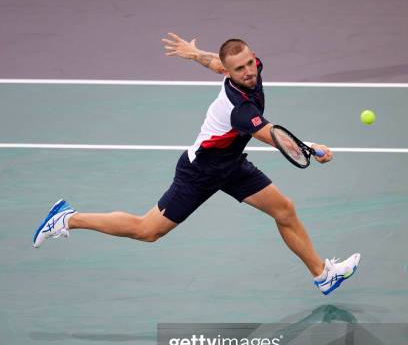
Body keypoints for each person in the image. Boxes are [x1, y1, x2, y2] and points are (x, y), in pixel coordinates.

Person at [32, 33, 360, 295]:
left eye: (249, 63)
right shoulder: (238, 108)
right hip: (200, 172)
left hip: (230, 165)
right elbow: (271, 134)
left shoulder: (247, 67)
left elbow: (218, 63)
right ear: (232, 75)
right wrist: (309, 147)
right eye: (240, 69)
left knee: (284, 210)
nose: (248, 71)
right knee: (147, 231)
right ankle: (68, 219)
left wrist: (196, 54)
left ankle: (323, 275)